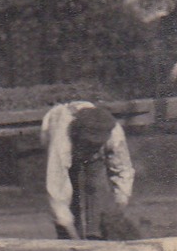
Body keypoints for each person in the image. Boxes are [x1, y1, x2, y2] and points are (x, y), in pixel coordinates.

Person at [40, 100, 136, 240]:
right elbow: (57, 188)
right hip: (57, 134)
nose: (92, 148)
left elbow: (123, 169)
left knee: (96, 184)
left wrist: (119, 205)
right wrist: (74, 237)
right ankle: (66, 238)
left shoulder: (114, 132)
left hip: (88, 146)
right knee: (71, 192)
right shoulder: (61, 140)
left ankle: (95, 235)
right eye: (89, 144)